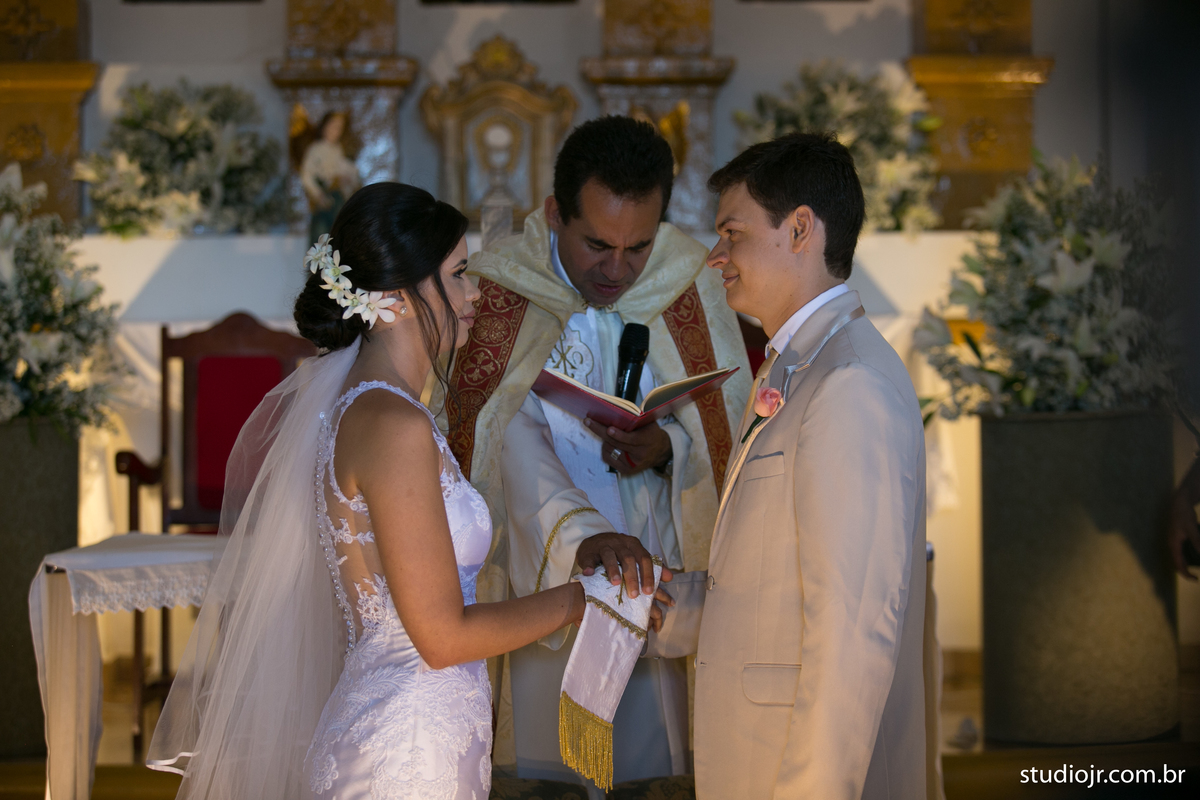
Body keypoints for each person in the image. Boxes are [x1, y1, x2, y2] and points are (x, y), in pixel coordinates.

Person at [146, 183, 661, 799]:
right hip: (409, 747)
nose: (476, 294)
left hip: (416, 724)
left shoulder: (374, 411)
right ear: (396, 298)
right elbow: (442, 638)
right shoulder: (394, 426)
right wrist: (585, 600)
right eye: (460, 274)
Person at [440, 116, 751, 789]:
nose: (616, 269)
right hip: (549, 567)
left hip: (657, 565)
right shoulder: (496, 291)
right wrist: (580, 538)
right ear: (555, 214)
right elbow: (499, 439)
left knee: (651, 773)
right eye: (596, 245)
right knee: (555, 775)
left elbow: (726, 423)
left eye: (638, 247)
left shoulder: (684, 279)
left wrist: (666, 445)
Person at [688, 132, 928, 798]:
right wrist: (667, 610)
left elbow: (853, 635)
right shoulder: (797, 364)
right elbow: (772, 579)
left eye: (732, 233)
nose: (716, 257)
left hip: (795, 772)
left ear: (800, 230)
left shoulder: (849, 382)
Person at [301, 111, 361, 242]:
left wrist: (347, 181)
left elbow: (346, 172)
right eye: (332, 126)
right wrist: (317, 194)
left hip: (338, 199)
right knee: (321, 236)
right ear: (324, 126)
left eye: (339, 128)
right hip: (324, 199)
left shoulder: (339, 150)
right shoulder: (315, 149)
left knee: (337, 235)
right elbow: (307, 175)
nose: (335, 131)